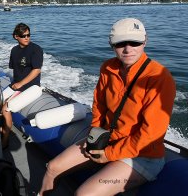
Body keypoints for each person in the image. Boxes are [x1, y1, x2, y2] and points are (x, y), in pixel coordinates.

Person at [39, 18, 176, 196]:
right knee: (52, 167)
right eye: (120, 44)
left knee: (84, 194)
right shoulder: (108, 68)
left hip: (142, 155)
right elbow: (99, 105)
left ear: (145, 41)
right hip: (107, 139)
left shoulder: (159, 78)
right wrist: (96, 135)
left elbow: (150, 134)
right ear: (111, 44)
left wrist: (110, 154)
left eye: (134, 42)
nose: (128, 49)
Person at [1, 23, 43, 148]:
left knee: (5, 108)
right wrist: (16, 85)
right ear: (15, 37)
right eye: (23, 35)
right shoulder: (14, 50)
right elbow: (15, 69)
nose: (27, 38)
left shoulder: (36, 49)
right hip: (16, 85)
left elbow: (36, 70)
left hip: (31, 87)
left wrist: (20, 84)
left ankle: (5, 140)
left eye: (28, 35)